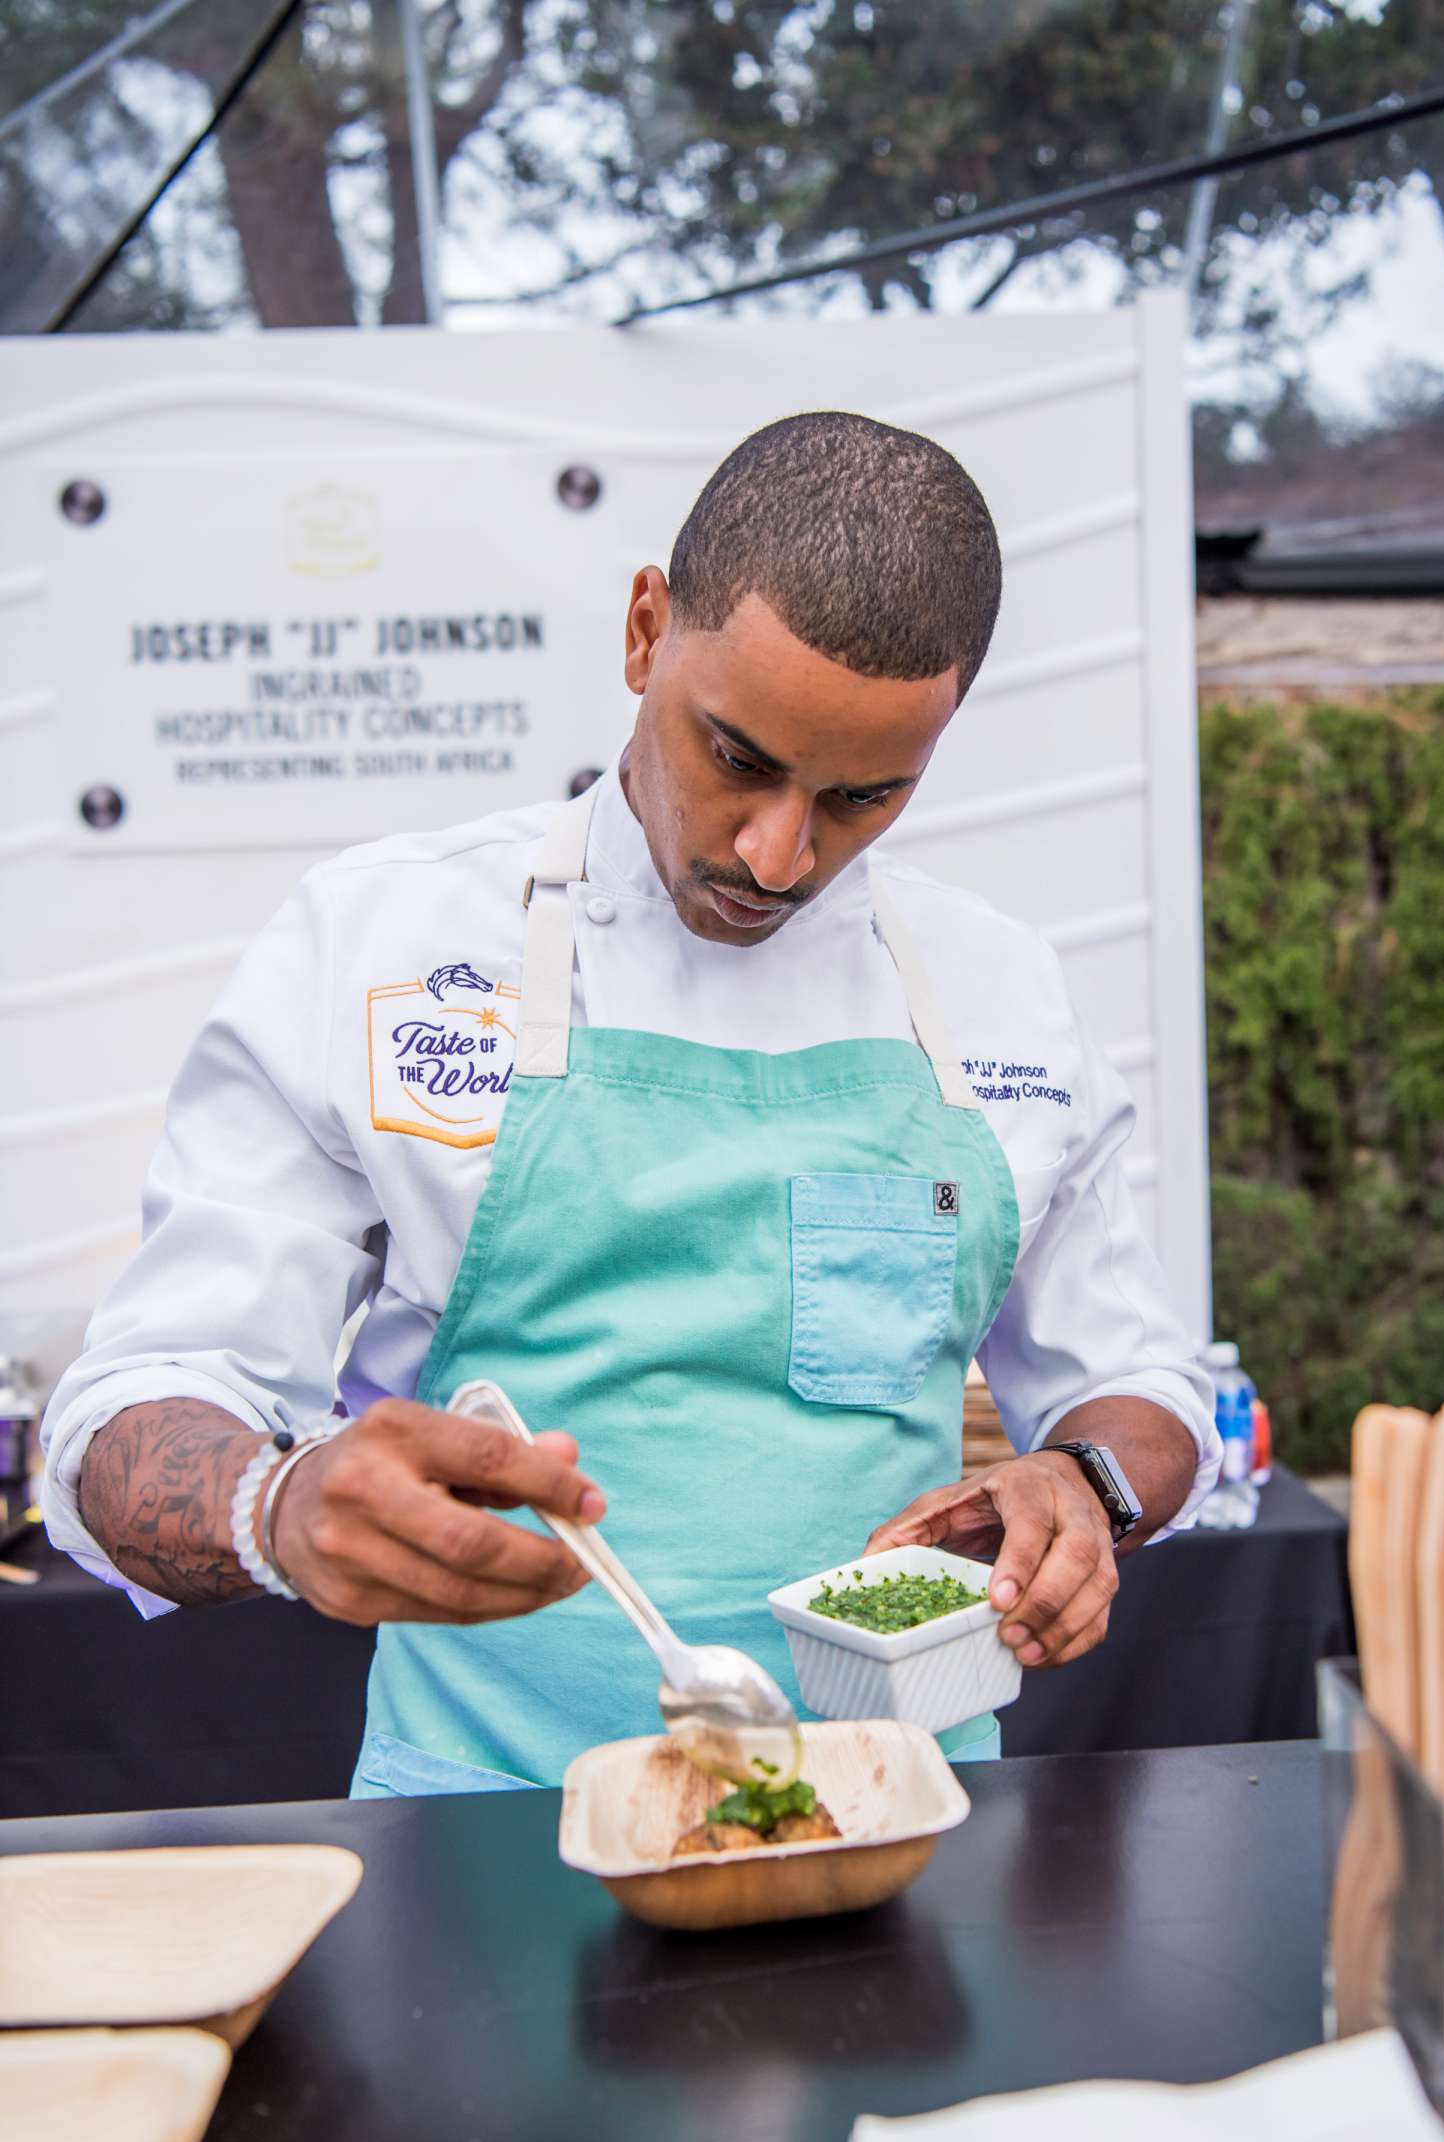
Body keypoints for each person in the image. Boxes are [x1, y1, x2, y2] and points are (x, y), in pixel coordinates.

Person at [42, 411, 1219, 1796]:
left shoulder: (998, 993)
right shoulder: (382, 947)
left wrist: (1083, 1485)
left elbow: (1140, 1384)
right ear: (646, 631)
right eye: (736, 758)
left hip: (902, 1806)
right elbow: (138, 1398)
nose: (778, 856)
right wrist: (272, 1505)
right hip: (480, 1820)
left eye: (863, 797)